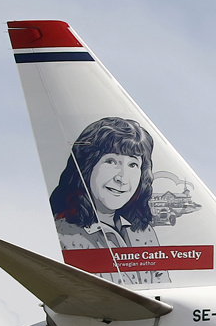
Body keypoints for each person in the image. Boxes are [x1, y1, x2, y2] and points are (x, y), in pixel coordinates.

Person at [50, 117, 169, 284]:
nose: (122, 178)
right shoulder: (66, 234)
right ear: (87, 166)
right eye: (111, 161)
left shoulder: (142, 231)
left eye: (133, 165)